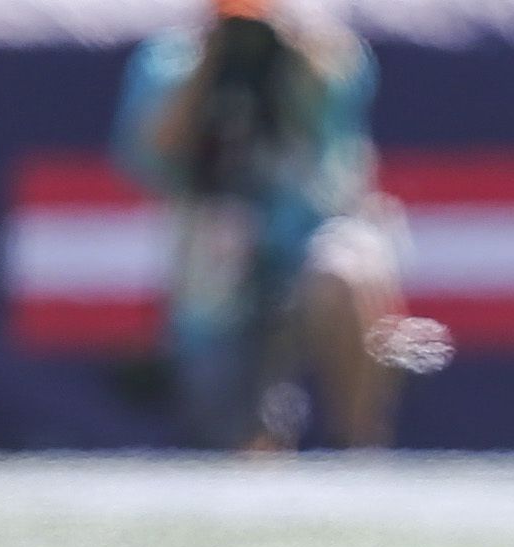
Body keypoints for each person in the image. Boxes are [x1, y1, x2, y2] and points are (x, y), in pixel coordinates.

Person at [112, 0, 444, 451]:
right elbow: (151, 157)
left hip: (310, 235)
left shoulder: (323, 48)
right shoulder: (172, 58)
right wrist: (213, 63)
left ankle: (358, 447)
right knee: (233, 433)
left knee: (342, 275)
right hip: (219, 272)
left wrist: (293, 49)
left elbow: (336, 115)